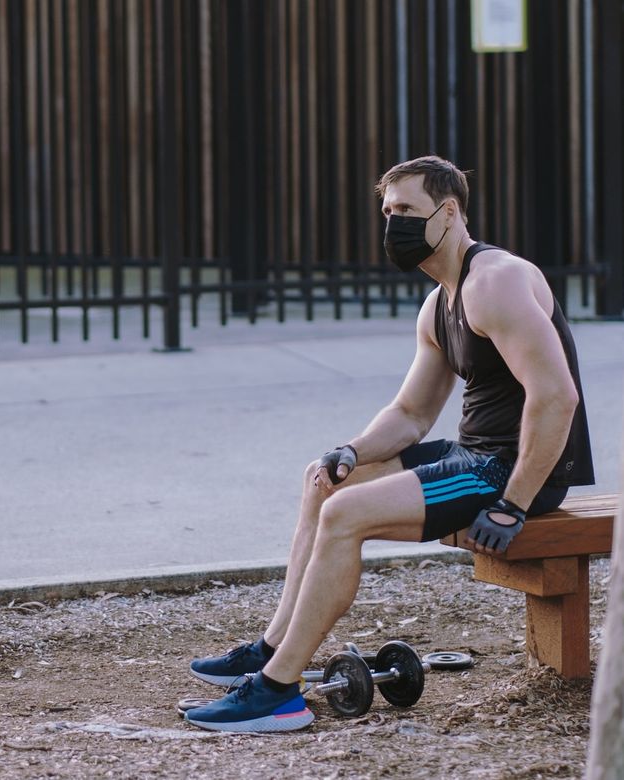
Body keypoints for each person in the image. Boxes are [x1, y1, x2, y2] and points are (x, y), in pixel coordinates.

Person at [183, 155, 595, 733]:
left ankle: (279, 693)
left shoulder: (496, 282)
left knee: (347, 514)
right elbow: (411, 412)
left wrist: (514, 503)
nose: (394, 223)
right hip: (473, 457)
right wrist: (351, 451)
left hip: (514, 473)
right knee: (326, 483)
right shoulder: (439, 303)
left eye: (408, 210)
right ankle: (272, 649)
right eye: (388, 211)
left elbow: (557, 397)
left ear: (449, 213)